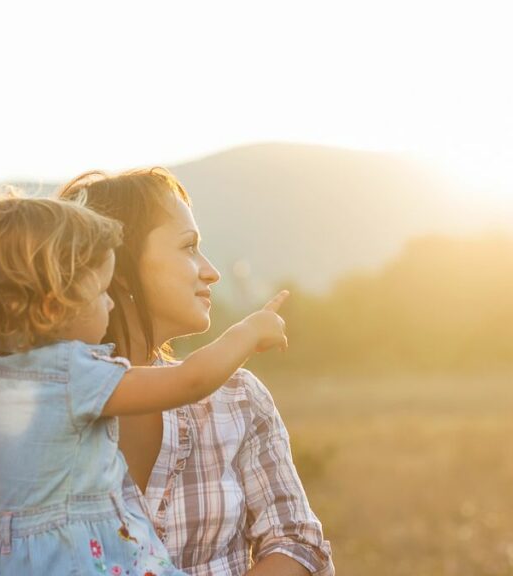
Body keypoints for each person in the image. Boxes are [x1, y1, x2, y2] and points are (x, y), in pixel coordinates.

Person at [0, 197, 290, 575]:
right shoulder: (70, 374)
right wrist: (249, 332)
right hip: (79, 560)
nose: (110, 305)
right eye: (101, 292)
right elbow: (190, 380)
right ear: (55, 305)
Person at [56, 168, 335, 575]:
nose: (211, 271)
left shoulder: (237, 398)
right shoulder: (31, 403)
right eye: (188, 247)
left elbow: (297, 543)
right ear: (114, 264)